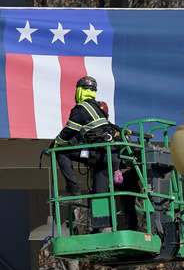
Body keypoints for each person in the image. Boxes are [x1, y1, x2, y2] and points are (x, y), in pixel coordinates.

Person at [50, 76, 134, 231]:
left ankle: (73, 188)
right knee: (100, 193)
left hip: (97, 153)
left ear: (80, 90)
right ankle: (102, 228)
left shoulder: (81, 108)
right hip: (110, 159)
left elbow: (68, 132)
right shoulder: (98, 108)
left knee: (61, 153)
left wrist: (55, 144)